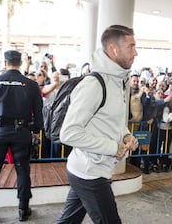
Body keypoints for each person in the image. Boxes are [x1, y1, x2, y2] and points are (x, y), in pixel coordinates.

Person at [55, 25, 139, 224]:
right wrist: (113, 147)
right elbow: (68, 133)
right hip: (89, 174)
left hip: (89, 170)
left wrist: (125, 135)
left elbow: (112, 121)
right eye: (131, 46)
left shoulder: (118, 81)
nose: (136, 52)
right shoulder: (94, 84)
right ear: (113, 49)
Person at [0, 50, 43, 223]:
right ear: (20, 63)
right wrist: (35, 130)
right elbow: (38, 114)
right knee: (22, 170)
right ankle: (23, 210)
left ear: (5, 63)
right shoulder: (31, 85)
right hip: (22, 133)